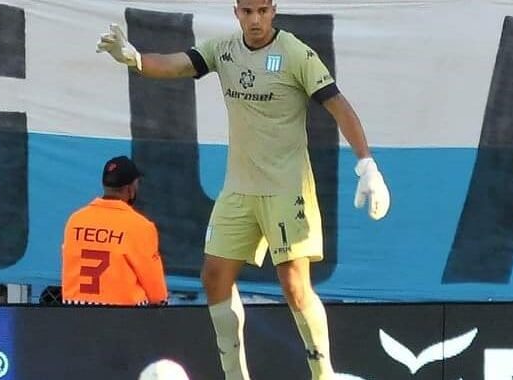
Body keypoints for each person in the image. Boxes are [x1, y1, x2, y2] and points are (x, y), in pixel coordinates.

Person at [97, 1, 390, 378]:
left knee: (294, 284)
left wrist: (367, 165)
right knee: (214, 276)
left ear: (273, 11)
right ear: (236, 12)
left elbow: (340, 108)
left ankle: (323, 374)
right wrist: (135, 58)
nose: (255, 19)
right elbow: (178, 64)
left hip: (286, 189)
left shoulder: (296, 54)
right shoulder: (224, 49)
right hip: (239, 189)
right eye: (248, 11)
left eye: (262, 11)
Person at [62, 156, 168, 306]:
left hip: (75, 315)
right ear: (130, 189)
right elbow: (157, 294)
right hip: (123, 318)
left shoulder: (75, 221)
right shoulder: (140, 226)